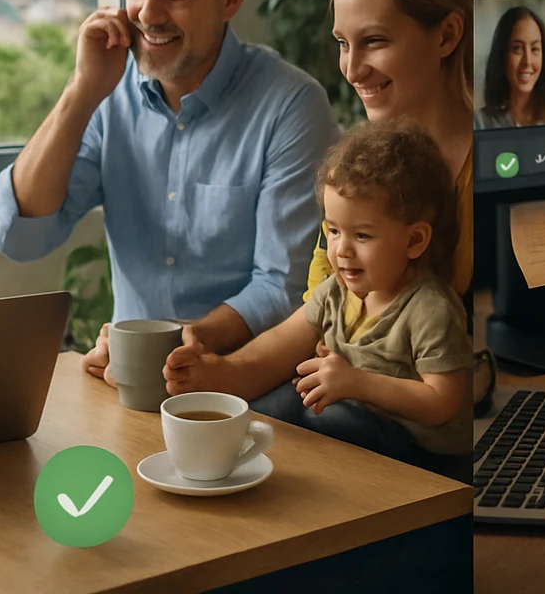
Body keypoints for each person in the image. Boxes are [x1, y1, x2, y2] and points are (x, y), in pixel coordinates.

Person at [0, 0, 337, 382]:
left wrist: (172, 344)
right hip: (129, 380)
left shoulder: (291, 105)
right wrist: (82, 89)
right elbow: (19, 235)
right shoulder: (108, 94)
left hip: (248, 388)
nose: (148, 14)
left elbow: (284, 287)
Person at [163, 121, 472, 481]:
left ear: (414, 240)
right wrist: (217, 374)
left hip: (421, 454)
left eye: (362, 235)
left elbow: (442, 401)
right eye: (334, 230)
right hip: (352, 416)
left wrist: (358, 382)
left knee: (325, 419)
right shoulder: (336, 291)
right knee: (269, 411)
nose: (341, 250)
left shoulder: (430, 309)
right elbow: (281, 340)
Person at [306, 0, 473, 301]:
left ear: (447, 35)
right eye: (343, 44)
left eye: (374, 41)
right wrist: (234, 363)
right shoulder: (361, 163)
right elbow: (319, 307)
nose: (351, 69)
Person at [476, 6, 545, 128]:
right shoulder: (480, 123)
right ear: (502, 54)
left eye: (535, 49)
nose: (527, 61)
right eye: (517, 49)